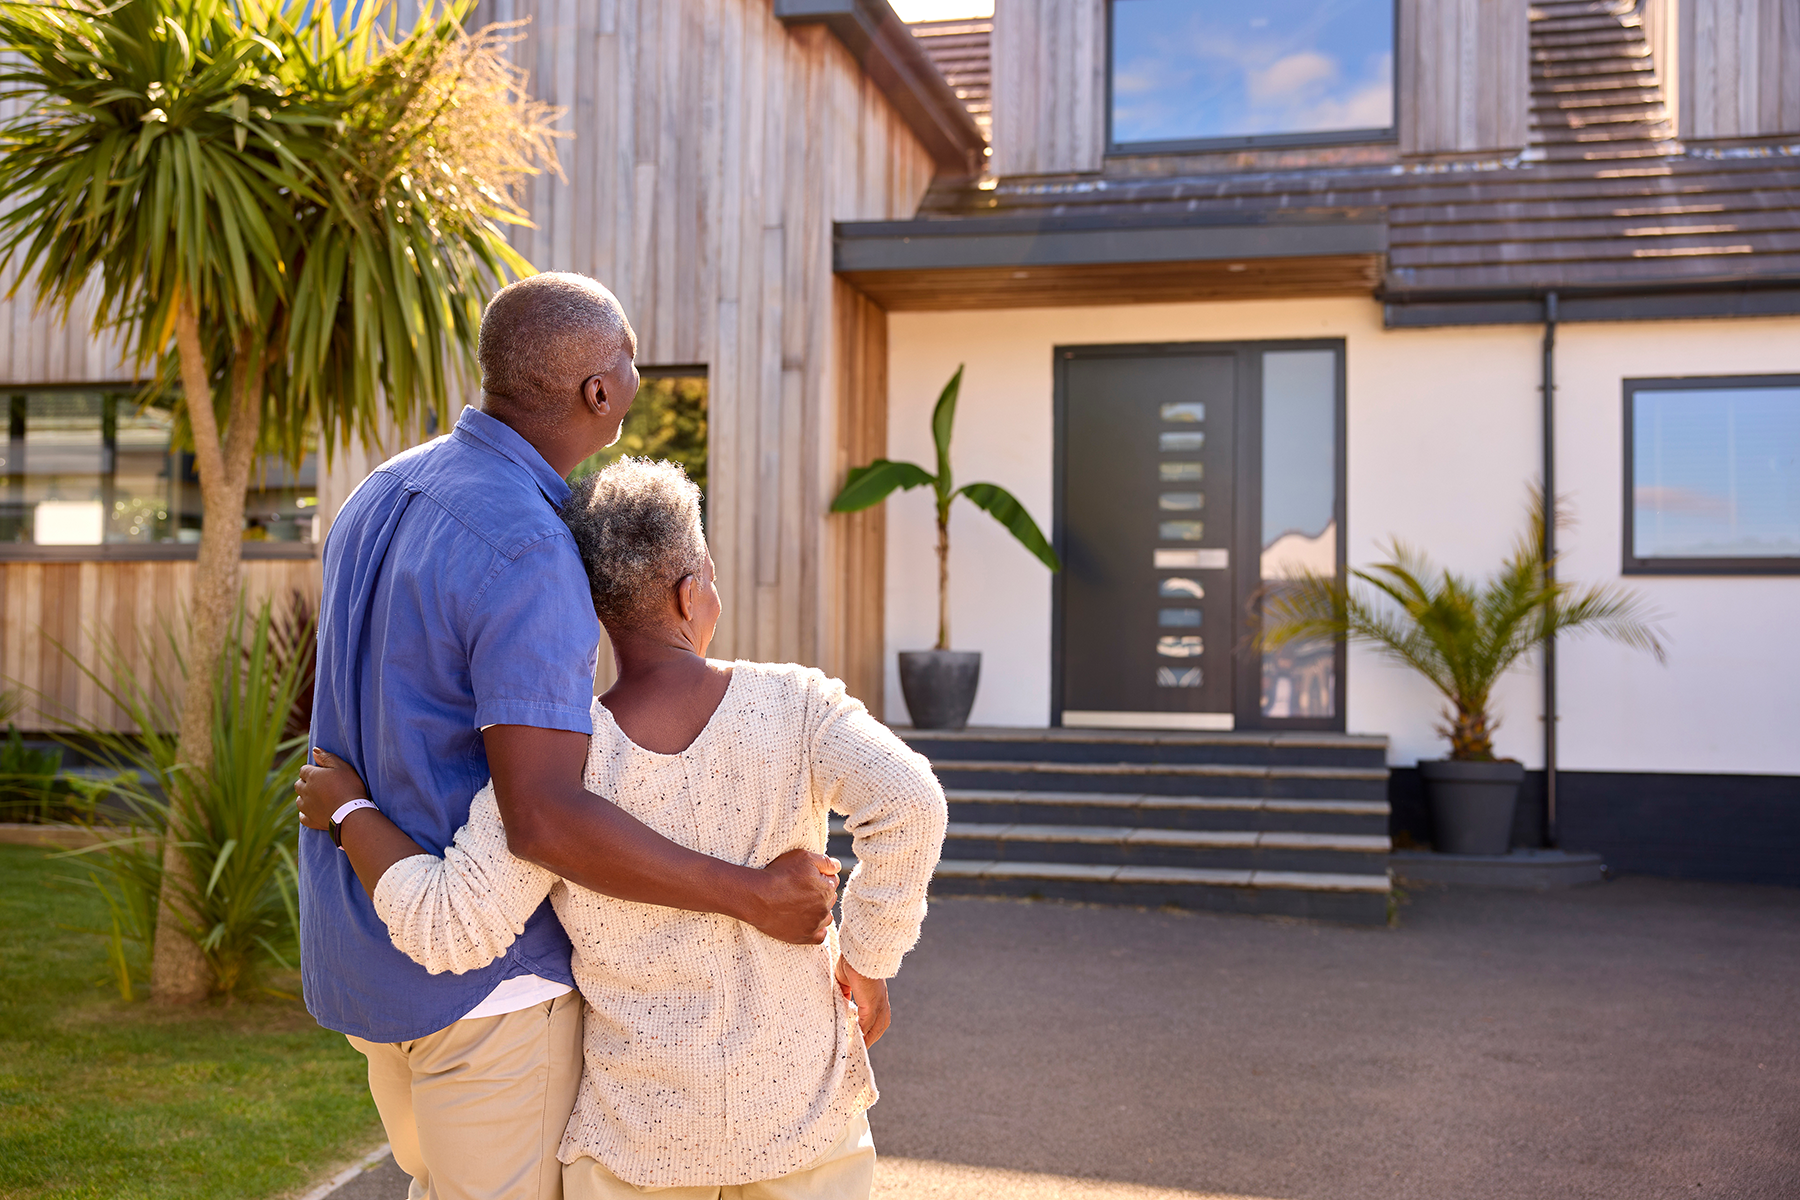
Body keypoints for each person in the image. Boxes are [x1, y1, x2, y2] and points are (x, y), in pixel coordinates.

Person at [300, 273, 840, 1200]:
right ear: (600, 391)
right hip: (487, 987)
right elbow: (543, 817)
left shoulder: (378, 492)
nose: (636, 377)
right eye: (629, 360)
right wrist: (751, 895)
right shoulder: (530, 546)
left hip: (365, 961)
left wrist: (349, 809)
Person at [299, 456, 947, 1200]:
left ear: (598, 607)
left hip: (638, 1145)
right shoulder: (797, 708)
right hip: (801, 1118)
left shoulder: (560, 764)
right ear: (692, 588)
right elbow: (912, 804)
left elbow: (449, 926)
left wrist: (348, 812)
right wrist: (867, 960)